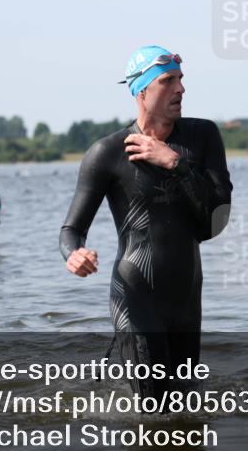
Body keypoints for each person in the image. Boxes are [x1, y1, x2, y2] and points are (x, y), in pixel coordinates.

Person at [59, 45, 232, 396]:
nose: (180, 89)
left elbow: (215, 223)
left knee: (184, 404)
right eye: (168, 81)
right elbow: (71, 230)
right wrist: (74, 254)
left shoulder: (203, 137)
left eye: (181, 80)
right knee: (151, 406)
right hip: (134, 291)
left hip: (186, 296)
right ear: (141, 92)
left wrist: (175, 163)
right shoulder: (107, 153)